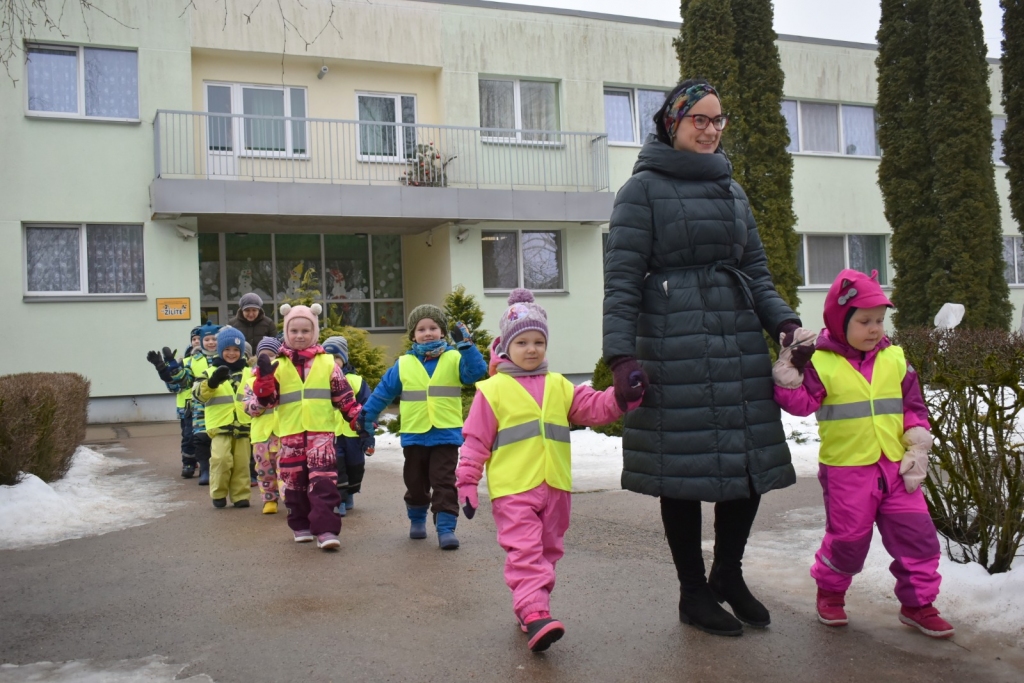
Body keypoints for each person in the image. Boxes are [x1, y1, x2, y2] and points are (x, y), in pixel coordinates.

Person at [602, 78, 802, 636]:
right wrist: (621, 357)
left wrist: (783, 323)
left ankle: (727, 576)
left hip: (737, 343)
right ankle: (693, 592)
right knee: (683, 473)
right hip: (673, 345)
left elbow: (756, 271)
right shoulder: (640, 192)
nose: (711, 129)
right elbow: (620, 282)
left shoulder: (732, 191)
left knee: (746, 465)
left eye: (719, 120)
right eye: (700, 120)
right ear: (674, 123)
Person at [457, 289, 645, 653]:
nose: (531, 349)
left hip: (556, 486)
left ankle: (531, 604)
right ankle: (535, 610)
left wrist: (622, 396)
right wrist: (466, 480)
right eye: (523, 341)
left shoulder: (559, 385)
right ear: (505, 346)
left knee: (547, 552)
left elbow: (593, 407)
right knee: (525, 551)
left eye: (539, 341)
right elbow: (475, 440)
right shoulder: (492, 390)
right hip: (514, 489)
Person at [772, 269, 954, 638]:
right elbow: (802, 404)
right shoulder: (821, 363)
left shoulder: (896, 359)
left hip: (897, 468)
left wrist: (918, 444)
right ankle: (831, 594)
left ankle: (919, 604)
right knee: (849, 541)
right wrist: (789, 372)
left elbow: (913, 406)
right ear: (841, 321)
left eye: (880, 321)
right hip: (848, 471)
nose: (875, 329)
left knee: (917, 536)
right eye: (865, 321)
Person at [359, 304, 487, 550]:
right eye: (421, 329)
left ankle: (446, 528)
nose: (428, 333)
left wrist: (467, 347)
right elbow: (384, 392)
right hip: (415, 434)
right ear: (412, 335)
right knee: (415, 482)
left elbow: (476, 372)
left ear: (442, 332)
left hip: (446, 435)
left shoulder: (454, 357)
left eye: (433, 327)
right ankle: (417, 520)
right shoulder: (404, 363)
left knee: (444, 482)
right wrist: (367, 415)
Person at [250, 304, 364, 551]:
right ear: (286, 332)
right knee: (294, 484)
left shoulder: (326, 363)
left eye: (305, 330)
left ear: (314, 332)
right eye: (294, 331)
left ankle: (326, 530)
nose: (299, 335)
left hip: (321, 435)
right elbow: (265, 402)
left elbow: (344, 396)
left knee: (323, 483)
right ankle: (300, 524)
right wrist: (264, 382)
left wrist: (357, 419)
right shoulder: (277, 364)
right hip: (290, 435)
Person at [193, 326, 252, 509]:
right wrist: (211, 383)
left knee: (242, 463)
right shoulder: (209, 372)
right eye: (227, 349)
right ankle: (218, 493)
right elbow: (197, 395)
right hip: (220, 426)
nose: (231, 353)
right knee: (221, 460)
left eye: (236, 350)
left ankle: (240, 495)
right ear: (220, 350)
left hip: (243, 424)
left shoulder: (249, 373)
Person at [323, 335, 375, 516]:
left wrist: (368, 428)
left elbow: (367, 405)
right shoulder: (320, 381)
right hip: (331, 433)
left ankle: (351, 492)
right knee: (337, 466)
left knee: (355, 465)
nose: (333, 362)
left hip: (353, 433)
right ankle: (340, 500)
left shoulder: (356, 380)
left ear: (344, 359)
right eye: (328, 358)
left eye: (336, 358)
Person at [166, 322, 221, 486]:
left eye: (214, 339)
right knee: (201, 438)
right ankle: (205, 469)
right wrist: (175, 368)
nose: (211, 342)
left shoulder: (227, 356)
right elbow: (185, 380)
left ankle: (220, 469)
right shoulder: (194, 360)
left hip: (221, 406)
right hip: (199, 407)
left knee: (220, 438)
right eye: (207, 339)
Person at [146, 330, 198, 478]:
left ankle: (204, 461)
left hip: (205, 406)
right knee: (188, 436)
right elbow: (173, 385)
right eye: (194, 339)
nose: (197, 341)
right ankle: (189, 462)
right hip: (186, 407)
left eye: (200, 338)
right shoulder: (184, 361)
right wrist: (162, 367)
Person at [244, 337, 284, 515]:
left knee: (286, 469)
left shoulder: (284, 377)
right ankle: (269, 500)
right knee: (264, 469)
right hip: (261, 435)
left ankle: (291, 500)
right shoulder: (251, 381)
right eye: (263, 356)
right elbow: (247, 407)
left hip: (283, 431)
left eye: (271, 355)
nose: (268, 360)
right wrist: (262, 399)